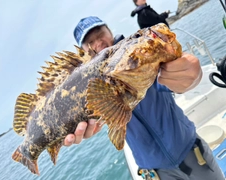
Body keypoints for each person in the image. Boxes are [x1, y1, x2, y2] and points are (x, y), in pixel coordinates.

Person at [64, 16, 225, 179]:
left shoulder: (140, 53)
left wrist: (192, 74)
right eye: (89, 42)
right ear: (83, 51)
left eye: (99, 33)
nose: (98, 42)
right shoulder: (88, 87)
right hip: (157, 173)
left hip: (192, 152)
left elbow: (176, 79)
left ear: (109, 30)